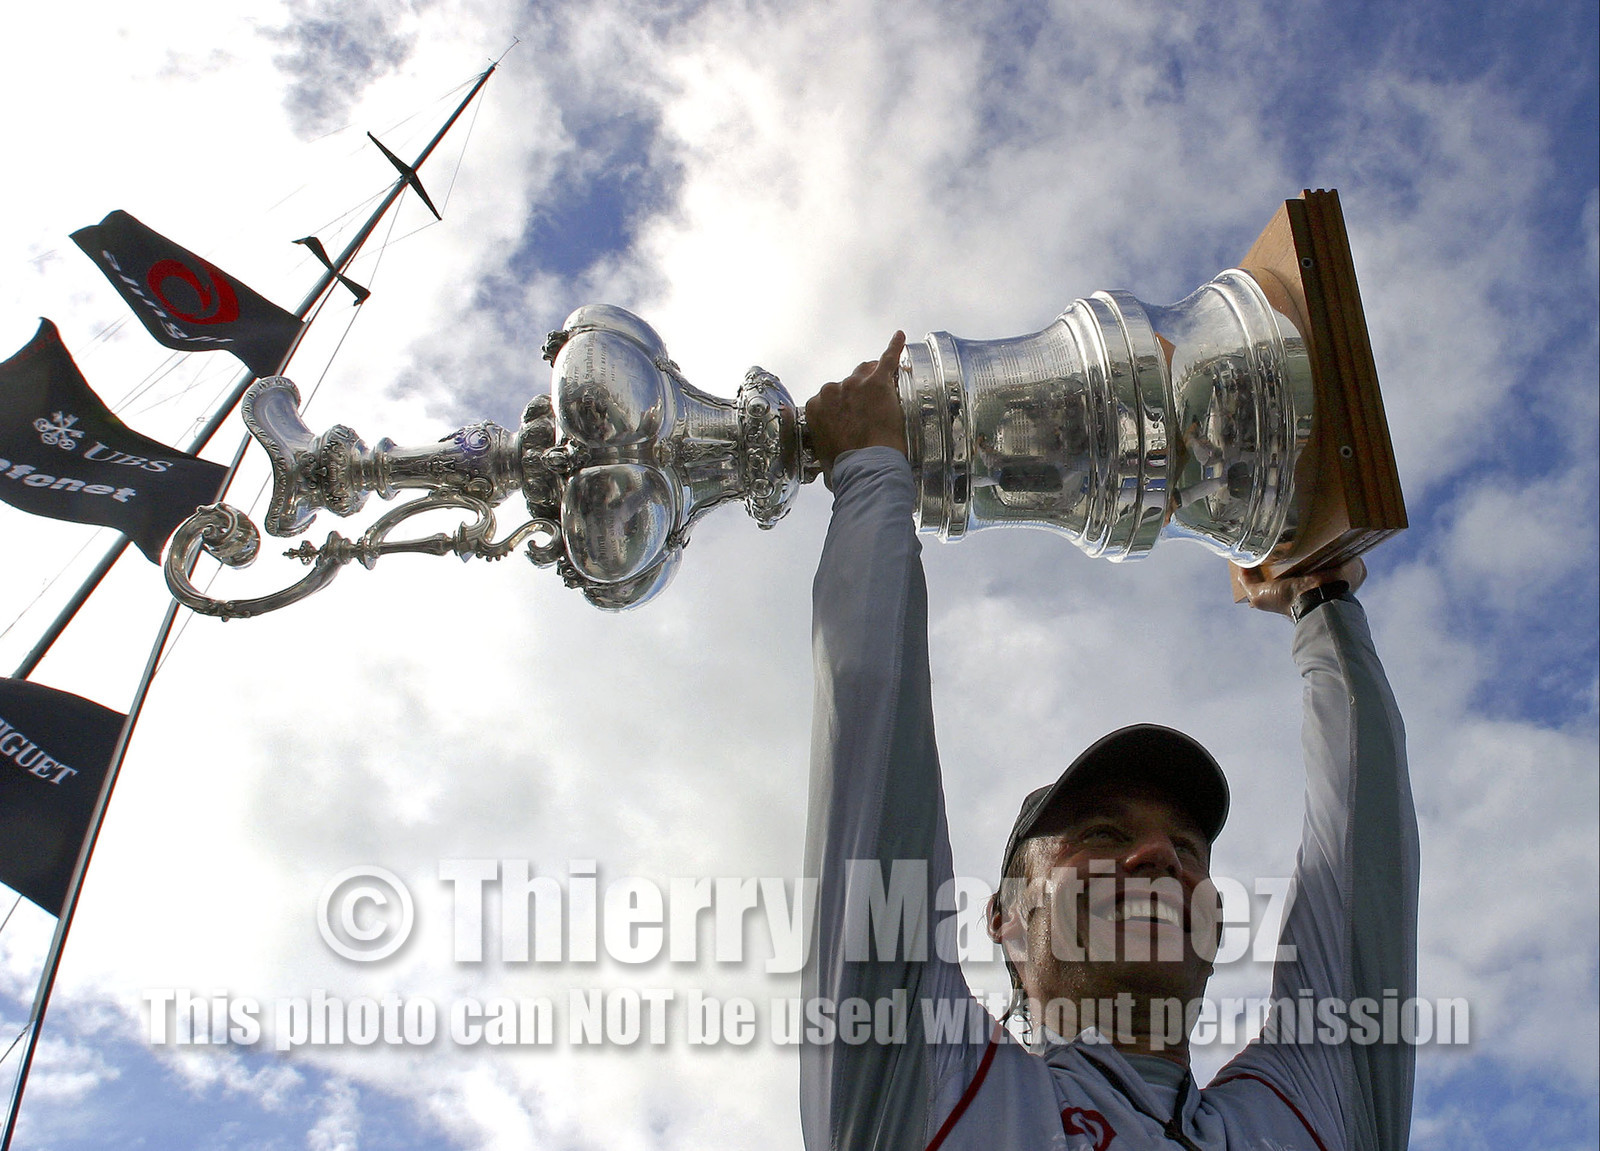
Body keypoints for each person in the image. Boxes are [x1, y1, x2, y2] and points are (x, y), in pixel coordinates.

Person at [800, 333, 1418, 1151]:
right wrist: (872, 477)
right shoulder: (935, 1091)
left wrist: (1322, 601)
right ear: (1006, 919)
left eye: (1190, 847)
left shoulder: (1301, 1121)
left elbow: (1365, 858)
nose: (1162, 856)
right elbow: (874, 760)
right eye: (1102, 834)